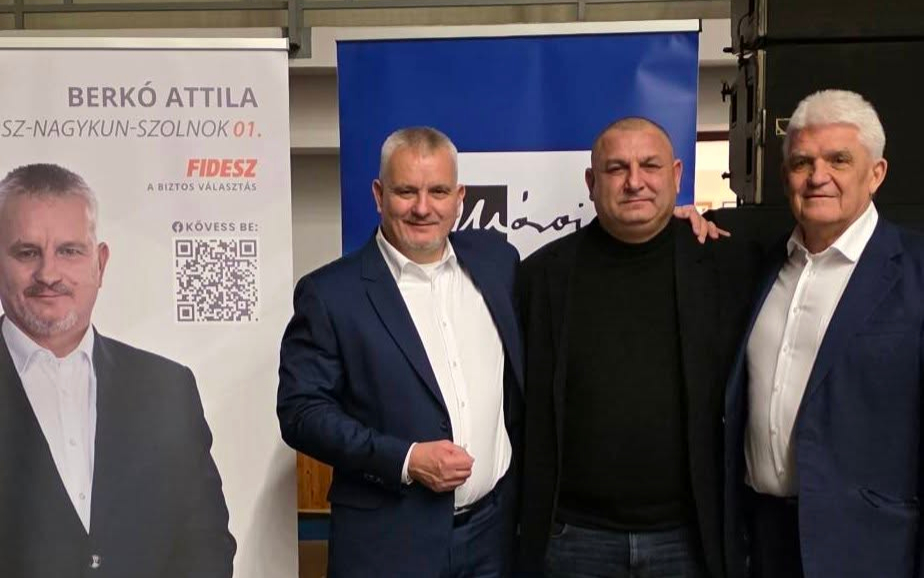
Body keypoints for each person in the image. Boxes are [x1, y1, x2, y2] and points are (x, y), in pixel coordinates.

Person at [277, 127, 524, 578]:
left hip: (492, 537)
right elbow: (301, 413)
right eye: (406, 191)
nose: (423, 208)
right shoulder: (330, 294)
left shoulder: (498, 262)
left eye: (438, 191)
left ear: (460, 198)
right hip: (387, 544)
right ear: (379, 194)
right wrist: (406, 459)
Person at [517, 117, 758, 578]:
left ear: (676, 175)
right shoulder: (540, 278)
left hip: (689, 540)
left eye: (650, 165)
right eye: (616, 168)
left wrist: (713, 218)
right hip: (572, 538)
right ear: (591, 182)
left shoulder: (727, 264)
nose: (634, 182)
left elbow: (806, 222)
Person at [724, 89, 924, 578]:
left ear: (876, 173)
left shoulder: (916, 271)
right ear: (785, 176)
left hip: (872, 548)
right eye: (802, 163)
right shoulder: (760, 265)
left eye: (839, 160)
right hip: (763, 542)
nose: (818, 177)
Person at [0, 163, 235, 578]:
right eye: (27, 252)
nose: (48, 274)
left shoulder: (167, 388)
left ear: (101, 263)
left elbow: (205, 544)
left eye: (69, 251)